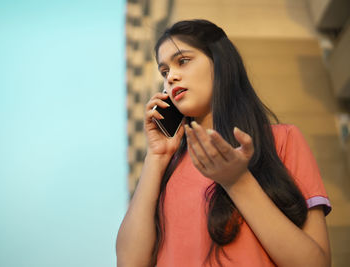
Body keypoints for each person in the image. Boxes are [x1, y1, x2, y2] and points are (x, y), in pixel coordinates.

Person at [116, 19, 332, 267]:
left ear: (220, 63)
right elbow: (129, 262)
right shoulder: (164, 166)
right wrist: (156, 156)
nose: (171, 77)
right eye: (164, 72)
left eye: (183, 61)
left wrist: (237, 182)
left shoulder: (283, 140)